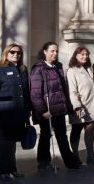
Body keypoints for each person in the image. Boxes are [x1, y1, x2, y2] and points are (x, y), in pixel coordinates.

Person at [29, 42, 82, 170]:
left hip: (58, 109)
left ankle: (70, 162)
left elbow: (63, 89)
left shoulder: (58, 67)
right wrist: (43, 111)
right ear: (45, 52)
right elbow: (35, 93)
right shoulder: (39, 69)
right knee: (46, 135)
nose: (55, 54)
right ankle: (43, 162)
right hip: (46, 110)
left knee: (61, 135)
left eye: (56, 51)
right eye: (52, 51)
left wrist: (68, 107)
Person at [0, 44, 32, 181]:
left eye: (18, 53)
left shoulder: (23, 70)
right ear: (6, 53)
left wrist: (28, 110)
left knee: (12, 143)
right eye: (12, 52)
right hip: (3, 113)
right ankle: (1, 171)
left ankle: (12, 169)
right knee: (3, 143)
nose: (15, 55)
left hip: (18, 113)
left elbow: (25, 92)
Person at [66, 47, 94, 164]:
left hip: (91, 105)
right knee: (76, 129)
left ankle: (90, 156)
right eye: (82, 54)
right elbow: (72, 90)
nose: (85, 56)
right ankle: (75, 156)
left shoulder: (88, 69)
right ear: (76, 55)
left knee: (90, 129)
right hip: (80, 105)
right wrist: (77, 105)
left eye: (86, 54)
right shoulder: (72, 71)